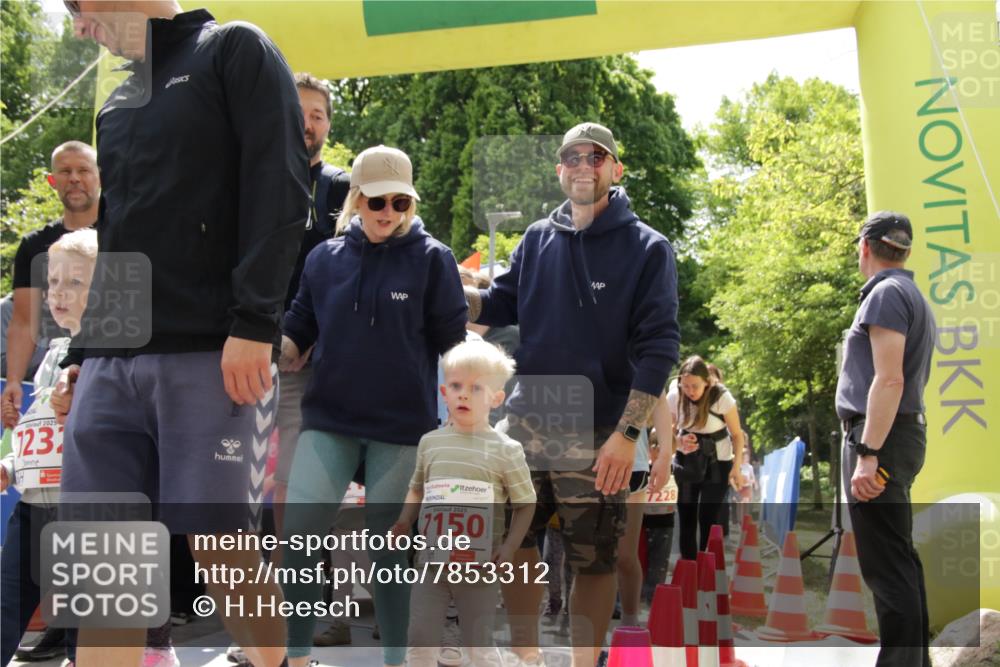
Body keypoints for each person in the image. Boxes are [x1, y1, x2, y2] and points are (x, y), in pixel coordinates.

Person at [54, 3, 309, 667]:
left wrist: (255, 322)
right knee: (102, 562)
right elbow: (117, 234)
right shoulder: (117, 101)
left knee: (221, 549)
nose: (78, 26)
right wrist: (84, 352)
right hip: (112, 361)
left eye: (78, 6)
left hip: (212, 352)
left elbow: (279, 187)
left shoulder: (233, 49)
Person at [465, 122, 680, 666]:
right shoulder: (538, 237)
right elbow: (500, 303)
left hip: (597, 429)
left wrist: (627, 435)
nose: (584, 165)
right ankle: (527, 657)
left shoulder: (648, 248)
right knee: (513, 541)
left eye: (596, 156)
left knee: (595, 558)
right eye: (573, 157)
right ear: (560, 169)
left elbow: (659, 349)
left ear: (616, 169)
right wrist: (447, 289)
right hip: (528, 420)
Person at [279, 144, 468, 667]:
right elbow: (298, 327)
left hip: (402, 428)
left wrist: (468, 416)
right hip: (330, 420)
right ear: (356, 199)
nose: (389, 212)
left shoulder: (434, 258)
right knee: (298, 537)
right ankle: (295, 657)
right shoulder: (324, 258)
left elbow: (454, 344)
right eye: (378, 201)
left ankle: (396, 661)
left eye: (400, 202)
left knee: (389, 551)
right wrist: (265, 357)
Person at [393, 340, 536, 667]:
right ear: (444, 392)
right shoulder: (430, 442)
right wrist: (403, 521)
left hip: (480, 568)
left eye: (475, 388)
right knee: (420, 637)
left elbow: (526, 503)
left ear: (496, 398)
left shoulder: (506, 449)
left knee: (478, 643)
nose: (463, 395)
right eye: (456, 386)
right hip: (431, 563)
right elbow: (417, 488)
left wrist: (510, 547)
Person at [836, 211, 934, 667]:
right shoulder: (908, 293)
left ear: (865, 247)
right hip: (896, 435)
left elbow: (889, 379)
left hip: (881, 439)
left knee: (888, 568)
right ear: (906, 250)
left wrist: (868, 452)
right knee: (899, 561)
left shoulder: (886, 294)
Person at [273, 72, 351, 551]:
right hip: (248, 355)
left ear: (328, 126)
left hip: (311, 363)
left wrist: (309, 337)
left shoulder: (341, 188)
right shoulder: (250, 180)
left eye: (317, 115)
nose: (307, 123)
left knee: (299, 478)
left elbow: (353, 272)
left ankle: (304, 579)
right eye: (298, 112)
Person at [2, 141, 99, 430]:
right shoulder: (33, 245)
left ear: (100, 176)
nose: (74, 178)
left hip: (105, 363)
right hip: (52, 364)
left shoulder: (121, 236)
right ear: (52, 180)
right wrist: (14, 382)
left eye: (83, 170)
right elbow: (23, 320)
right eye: (65, 171)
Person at [668, 356, 744, 560]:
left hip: (718, 462)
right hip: (687, 461)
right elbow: (666, 432)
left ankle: (706, 567)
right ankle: (688, 566)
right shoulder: (674, 396)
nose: (690, 391)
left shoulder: (721, 397)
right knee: (686, 515)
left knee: (708, 517)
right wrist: (678, 442)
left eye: (695, 386)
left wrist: (736, 468)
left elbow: (737, 435)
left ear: (707, 382)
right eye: (685, 386)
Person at [641, 426, 677, 604]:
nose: (657, 452)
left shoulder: (675, 470)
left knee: (659, 563)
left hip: (665, 523)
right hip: (643, 523)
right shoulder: (643, 469)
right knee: (642, 560)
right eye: (654, 447)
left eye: (663, 448)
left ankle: (654, 597)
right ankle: (639, 593)